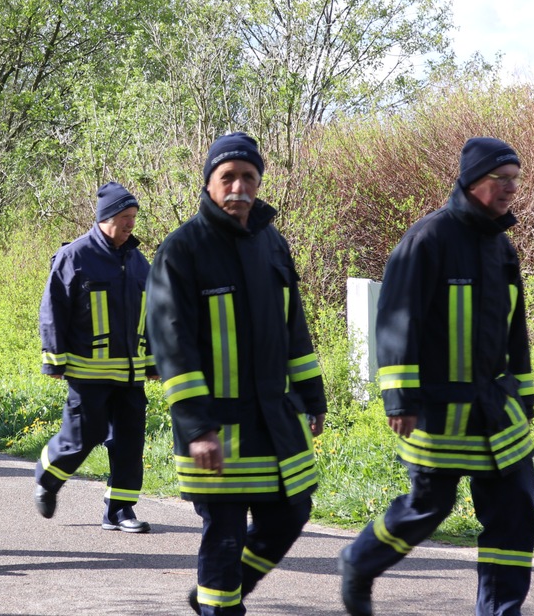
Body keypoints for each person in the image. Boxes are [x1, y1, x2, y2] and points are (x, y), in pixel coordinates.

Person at [338, 138, 534, 616]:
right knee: (427, 509)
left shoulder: (501, 246)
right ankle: (360, 562)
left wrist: (524, 396)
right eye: (501, 179)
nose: (511, 188)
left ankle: (500, 610)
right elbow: (397, 319)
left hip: (497, 408)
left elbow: (516, 328)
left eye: (515, 179)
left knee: (514, 515)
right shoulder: (427, 239)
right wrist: (399, 398)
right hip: (439, 409)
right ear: (473, 181)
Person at [145, 132, 327, 616]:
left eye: (249, 176)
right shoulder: (181, 250)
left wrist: (312, 396)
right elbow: (172, 348)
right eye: (228, 177)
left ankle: (212, 597)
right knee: (223, 538)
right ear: (208, 185)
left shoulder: (272, 243)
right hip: (217, 431)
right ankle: (220, 606)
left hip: (274, 421)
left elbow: (294, 327)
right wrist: (197, 427)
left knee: (291, 513)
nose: (239, 187)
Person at [33, 182, 155, 532]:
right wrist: (53, 359)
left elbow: (153, 313)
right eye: (123, 217)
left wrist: (155, 361)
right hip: (88, 374)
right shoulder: (75, 256)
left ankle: (119, 511)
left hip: (130, 375)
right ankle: (47, 476)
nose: (130, 224)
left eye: (133, 217)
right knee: (82, 437)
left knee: (130, 442)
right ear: (104, 219)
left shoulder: (137, 261)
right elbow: (52, 310)